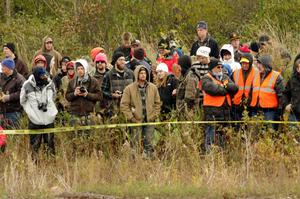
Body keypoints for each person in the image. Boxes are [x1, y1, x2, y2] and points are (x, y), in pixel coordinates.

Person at [120, 65, 161, 158]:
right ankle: (135, 163)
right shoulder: (129, 89)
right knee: (135, 143)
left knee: (149, 143)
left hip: (149, 120)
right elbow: (124, 105)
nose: (143, 75)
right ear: (137, 74)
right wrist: (131, 117)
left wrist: (155, 115)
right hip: (136, 121)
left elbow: (158, 103)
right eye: (141, 73)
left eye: (144, 73)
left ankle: (149, 161)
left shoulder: (153, 88)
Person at [20, 66, 58, 160]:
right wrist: (30, 111)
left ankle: (51, 165)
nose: (43, 77)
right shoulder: (27, 85)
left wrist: (50, 109)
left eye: (44, 75)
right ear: (36, 75)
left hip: (48, 120)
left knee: (50, 144)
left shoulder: (50, 83)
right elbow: (22, 101)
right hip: (35, 120)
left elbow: (54, 95)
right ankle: (35, 168)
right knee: (35, 146)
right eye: (41, 76)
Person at [202, 58, 238, 151]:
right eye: (218, 67)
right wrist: (226, 89)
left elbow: (235, 88)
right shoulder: (206, 78)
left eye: (221, 67)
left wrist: (225, 86)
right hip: (212, 112)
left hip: (225, 111)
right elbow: (214, 90)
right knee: (211, 135)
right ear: (212, 68)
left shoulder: (225, 77)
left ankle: (223, 155)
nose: (220, 69)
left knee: (223, 136)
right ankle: (210, 156)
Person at [251, 55, 285, 130]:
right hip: (255, 110)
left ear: (266, 64)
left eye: (260, 64)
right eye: (258, 64)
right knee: (254, 133)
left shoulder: (277, 76)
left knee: (269, 134)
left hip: (270, 112)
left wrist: (279, 111)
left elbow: (282, 96)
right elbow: (251, 92)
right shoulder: (255, 75)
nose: (258, 66)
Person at [66, 59, 101, 124]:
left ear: (86, 69)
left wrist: (87, 95)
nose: (80, 71)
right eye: (78, 69)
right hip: (75, 113)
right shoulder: (72, 82)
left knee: (89, 133)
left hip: (89, 113)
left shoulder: (93, 81)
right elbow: (67, 96)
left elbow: (99, 96)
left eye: (82, 68)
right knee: (76, 133)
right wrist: (74, 94)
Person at [102, 52, 135, 118]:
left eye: (123, 60)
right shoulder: (108, 75)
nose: (123, 62)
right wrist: (112, 95)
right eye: (120, 60)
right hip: (114, 110)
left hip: (129, 109)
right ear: (115, 62)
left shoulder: (131, 73)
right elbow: (103, 91)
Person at [231, 53, 259, 122]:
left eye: (246, 63)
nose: (244, 65)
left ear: (250, 63)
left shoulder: (256, 72)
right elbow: (231, 87)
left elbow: (255, 89)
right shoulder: (235, 73)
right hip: (237, 104)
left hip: (251, 105)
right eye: (242, 63)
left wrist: (250, 103)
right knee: (237, 126)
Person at [0, 58, 25, 129]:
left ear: (9, 67)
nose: (1, 68)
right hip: (2, 111)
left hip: (14, 112)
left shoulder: (20, 79)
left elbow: (23, 93)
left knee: (13, 134)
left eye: (3, 66)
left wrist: (8, 97)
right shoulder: (1, 77)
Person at [282, 53, 300, 124]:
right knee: (293, 134)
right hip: (294, 113)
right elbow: (285, 94)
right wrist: (286, 105)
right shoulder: (292, 80)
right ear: (297, 69)